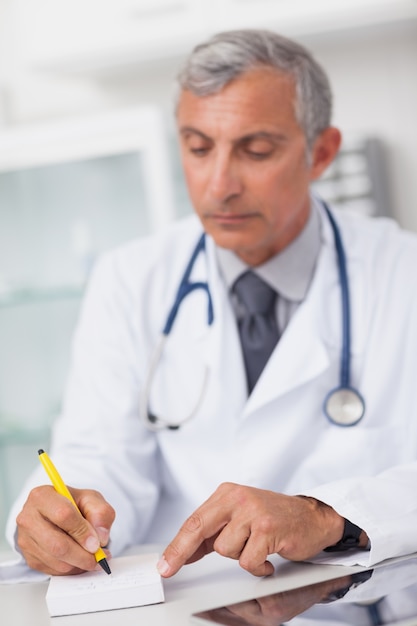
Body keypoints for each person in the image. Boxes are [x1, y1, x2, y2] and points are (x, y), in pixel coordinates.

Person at [6, 29, 417, 579]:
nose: (218, 184)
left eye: (256, 150)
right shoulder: (130, 280)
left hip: (359, 606)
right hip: (184, 606)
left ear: (321, 153)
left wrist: (329, 516)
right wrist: (61, 517)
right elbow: (98, 456)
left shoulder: (403, 274)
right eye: (198, 148)